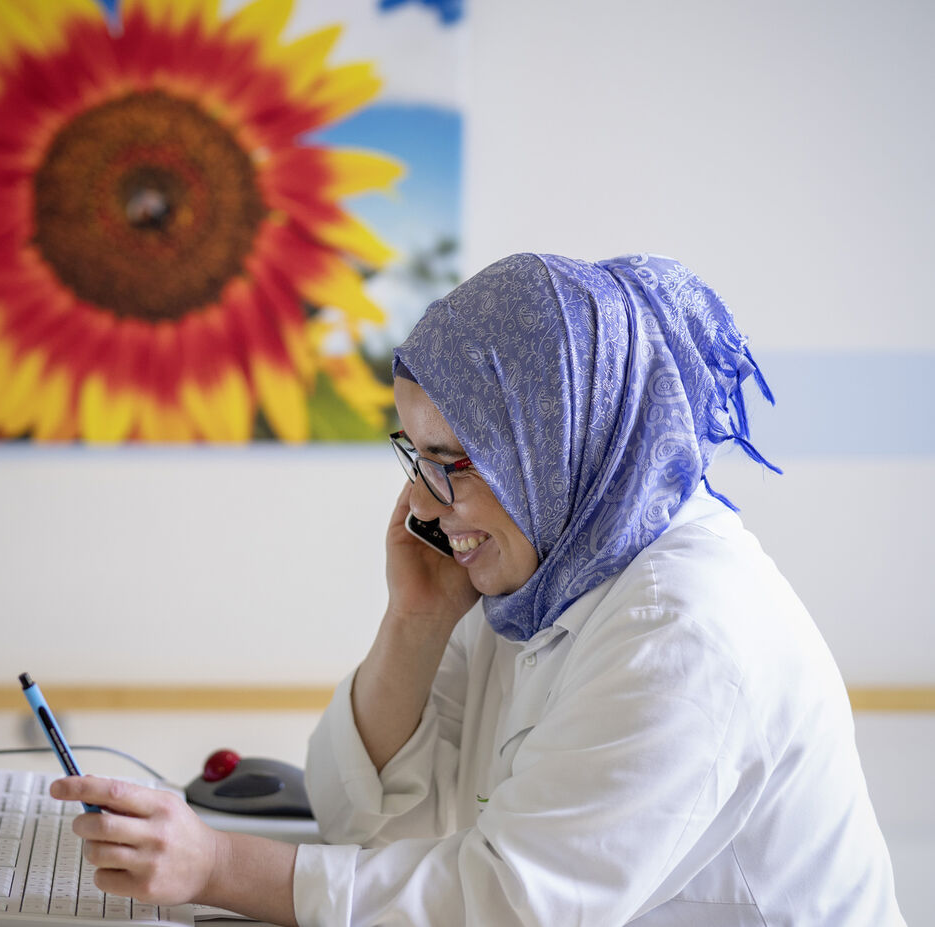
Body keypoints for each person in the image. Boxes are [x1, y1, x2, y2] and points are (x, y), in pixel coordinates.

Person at [52, 252, 906, 925]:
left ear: (552, 440)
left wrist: (216, 866)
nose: (422, 504)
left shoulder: (681, 631)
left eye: (451, 462)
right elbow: (358, 820)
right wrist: (412, 622)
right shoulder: (538, 579)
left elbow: (506, 904)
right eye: (413, 456)